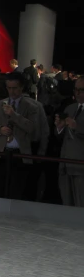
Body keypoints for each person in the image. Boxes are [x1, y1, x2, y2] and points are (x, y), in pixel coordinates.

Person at [0, 74, 37, 199]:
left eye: (15, 88)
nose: (12, 91)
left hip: (20, 155)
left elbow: (32, 129)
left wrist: (14, 115)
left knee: (16, 193)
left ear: (22, 87)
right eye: (9, 88)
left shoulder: (31, 107)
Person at [54, 77, 84, 206]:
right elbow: (61, 136)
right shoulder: (70, 108)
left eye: (81, 90)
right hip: (66, 164)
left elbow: (75, 129)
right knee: (67, 205)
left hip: (81, 166)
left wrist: (76, 127)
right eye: (76, 89)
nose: (77, 93)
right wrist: (59, 128)